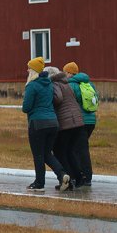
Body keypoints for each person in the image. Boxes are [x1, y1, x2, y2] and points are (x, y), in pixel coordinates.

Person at [22, 57, 70, 192]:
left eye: (29, 68)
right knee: (47, 154)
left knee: (38, 155)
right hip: (53, 123)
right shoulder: (49, 83)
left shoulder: (32, 85)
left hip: (38, 123)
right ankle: (62, 175)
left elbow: (26, 107)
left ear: (34, 71)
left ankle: (39, 183)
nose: (27, 70)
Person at [47, 65, 86, 190]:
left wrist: (49, 100)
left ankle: (68, 179)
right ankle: (79, 178)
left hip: (66, 123)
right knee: (70, 151)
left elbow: (58, 98)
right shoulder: (66, 83)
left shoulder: (55, 84)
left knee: (59, 152)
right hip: (77, 121)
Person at [64, 61, 97, 187]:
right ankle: (84, 175)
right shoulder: (89, 84)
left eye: (65, 72)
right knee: (81, 148)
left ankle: (84, 177)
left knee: (78, 149)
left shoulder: (71, 85)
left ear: (69, 73)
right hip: (91, 120)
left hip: (79, 122)